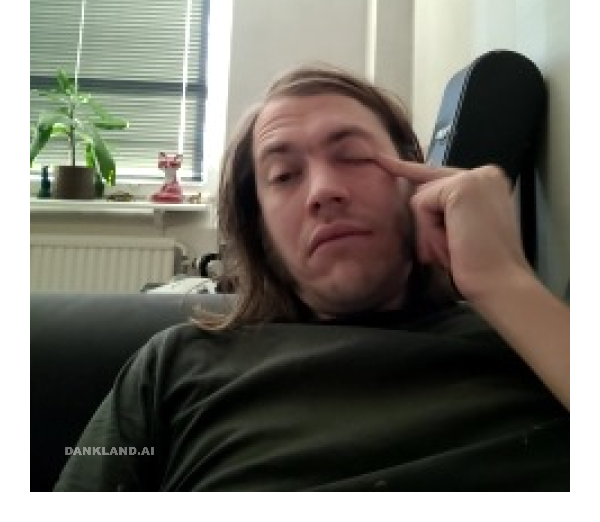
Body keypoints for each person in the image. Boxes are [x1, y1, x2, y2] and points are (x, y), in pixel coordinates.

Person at [54, 63, 569, 491]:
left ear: (416, 178)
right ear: (261, 230)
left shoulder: (529, 337)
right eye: (284, 176)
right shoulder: (173, 367)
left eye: (355, 157)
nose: (323, 190)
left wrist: (505, 282)